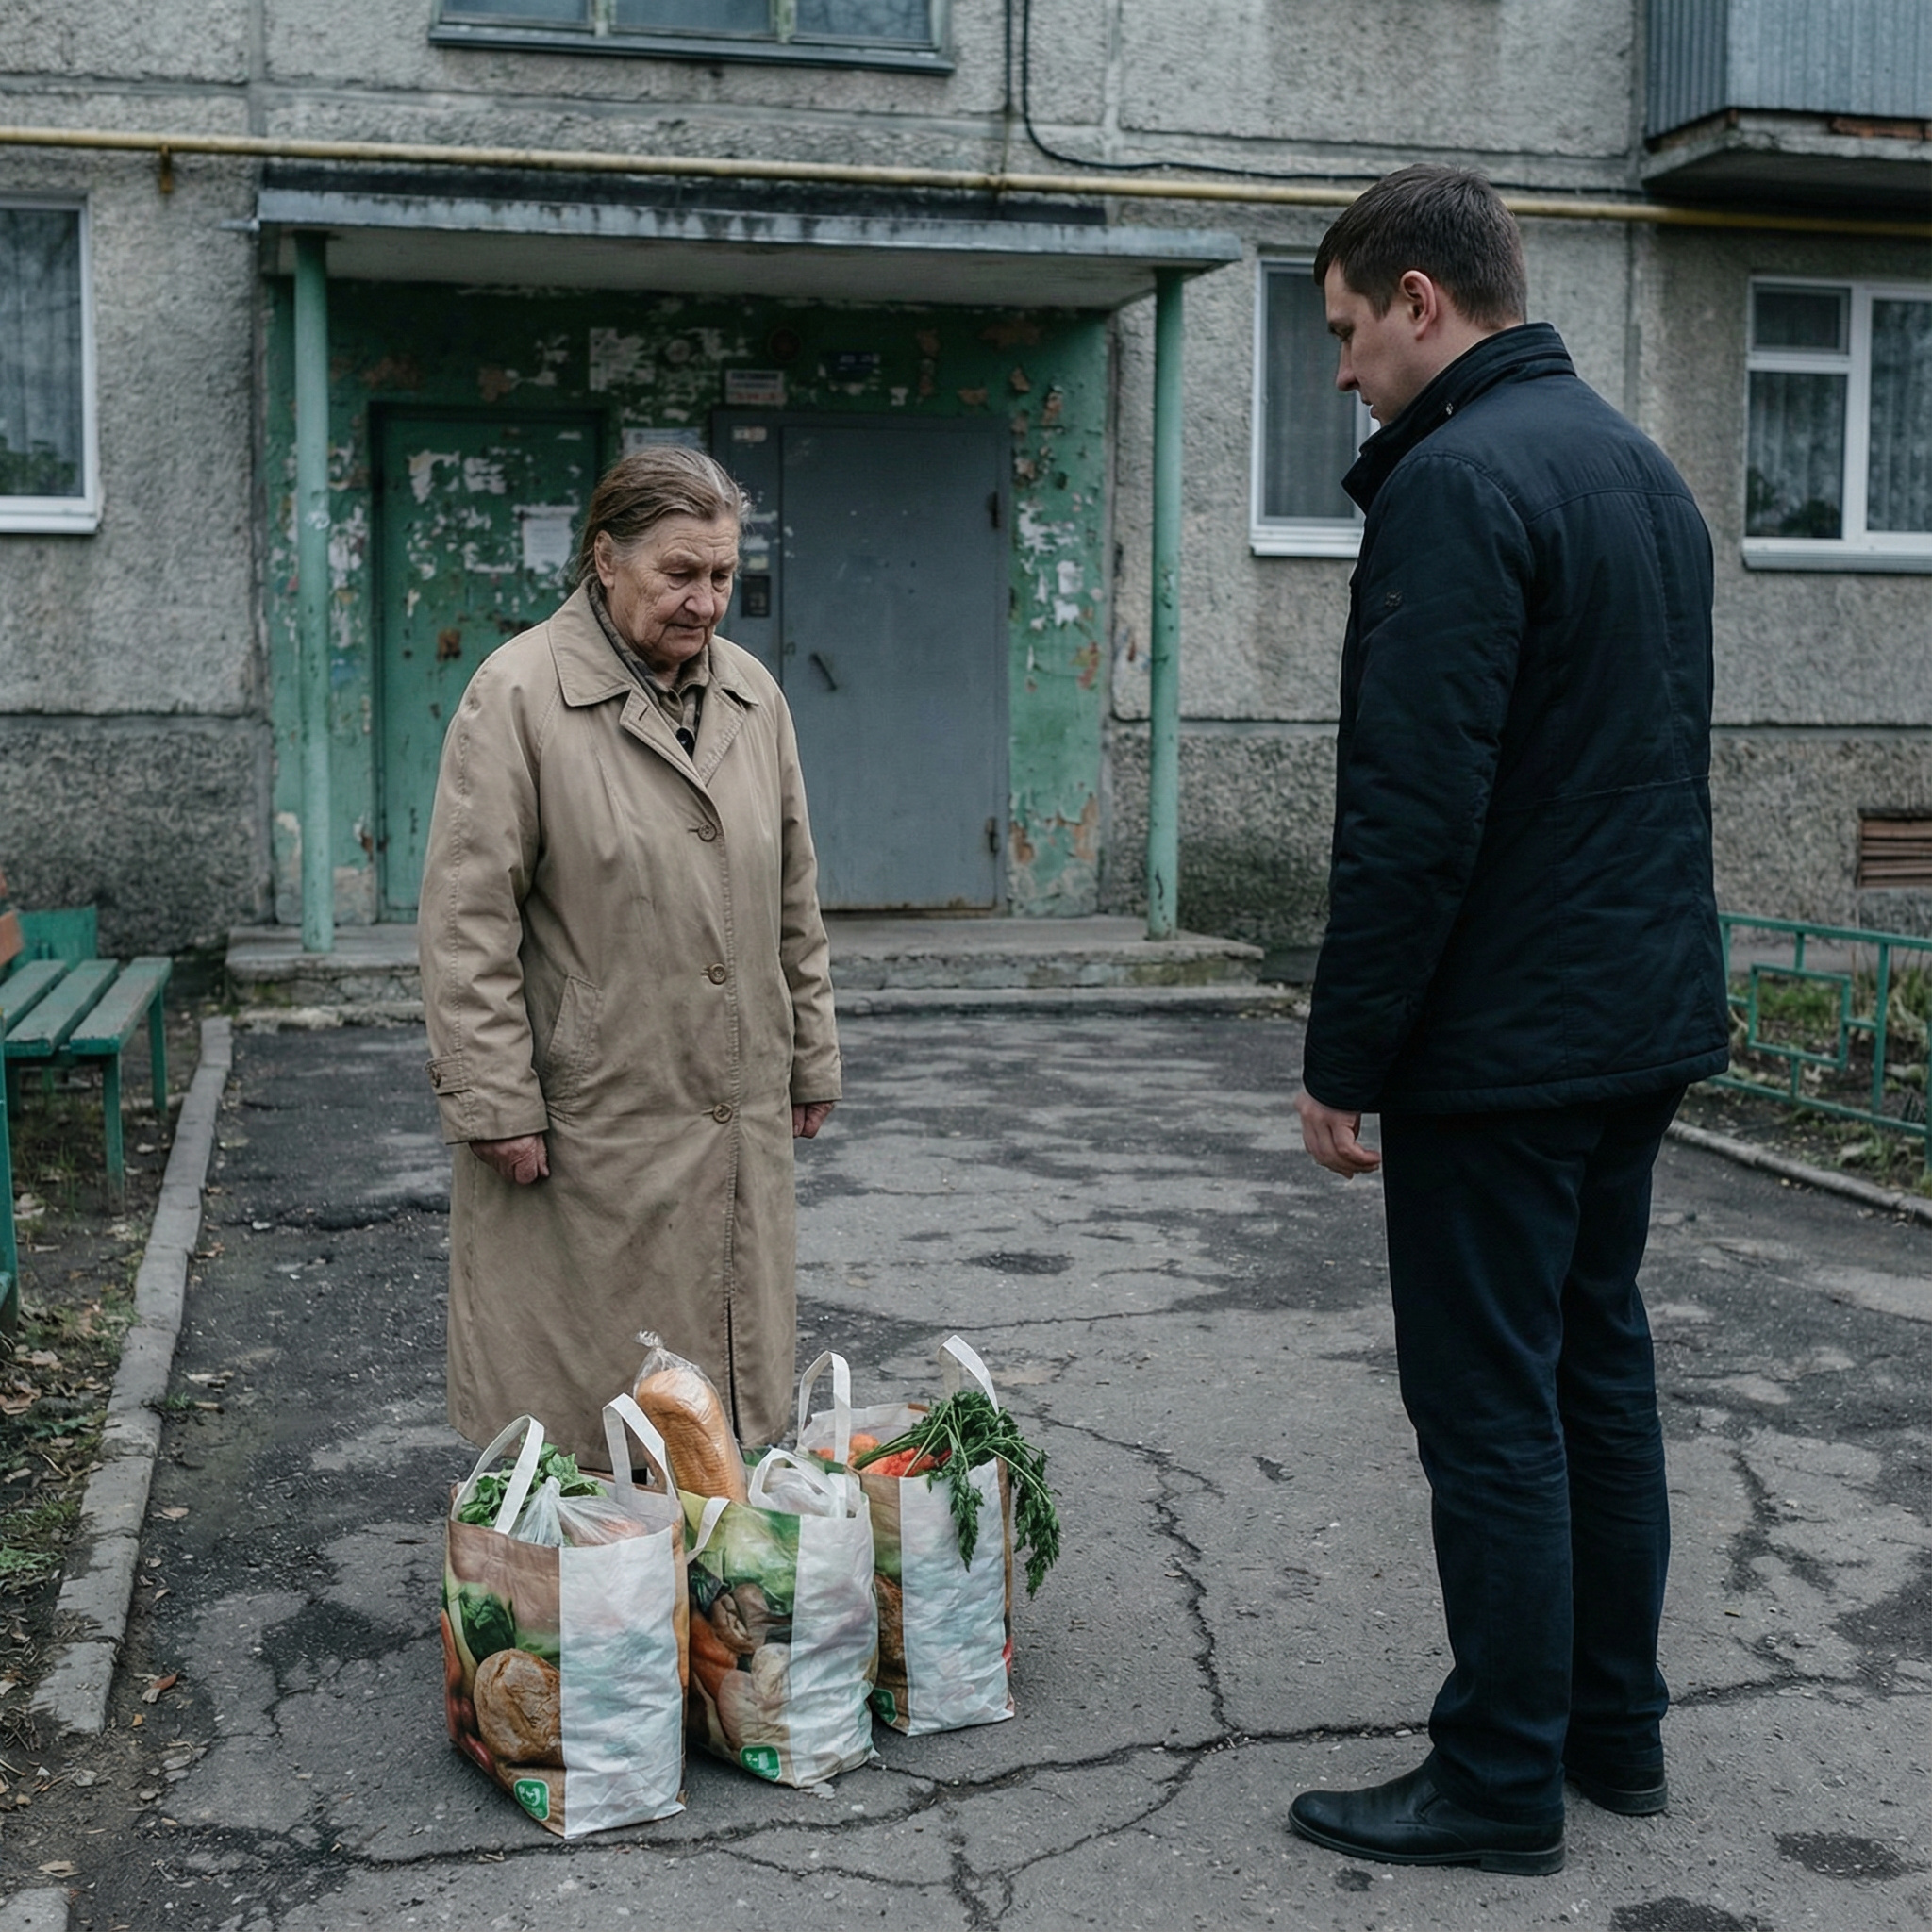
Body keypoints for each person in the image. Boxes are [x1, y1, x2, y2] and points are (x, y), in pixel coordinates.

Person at [1288, 166, 1729, 1876]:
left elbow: (1414, 808)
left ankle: (1493, 1777)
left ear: (1419, 300)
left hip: (1506, 1037)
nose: (1339, 373)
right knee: (1593, 1375)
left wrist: (1344, 1058)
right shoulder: (1636, 470)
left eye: (1342, 332)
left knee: (1489, 1404)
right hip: (1633, 1016)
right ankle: (1611, 1733)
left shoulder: (1455, 484)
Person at [418, 444, 841, 1468]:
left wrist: (810, 1049)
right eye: (678, 574)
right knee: (582, 1385)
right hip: (590, 1107)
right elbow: (467, 917)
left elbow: (792, 887)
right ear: (604, 559)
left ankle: (701, 1568)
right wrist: (492, 1099)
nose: (704, 602)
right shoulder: (515, 693)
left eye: (722, 577)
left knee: (719, 1360)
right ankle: (579, 1578)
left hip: (728, 1094)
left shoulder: (751, 695)